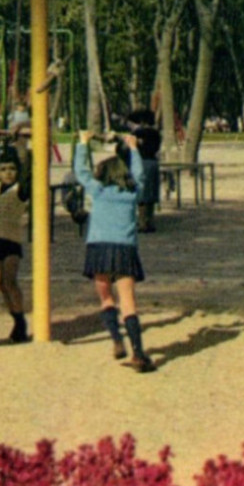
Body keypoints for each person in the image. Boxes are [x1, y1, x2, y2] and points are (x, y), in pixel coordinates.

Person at [74, 130, 155, 373]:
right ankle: (138, 353)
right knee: (128, 301)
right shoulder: (132, 194)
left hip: (99, 247)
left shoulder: (98, 191)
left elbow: (81, 172)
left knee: (106, 297)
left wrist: (83, 144)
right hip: (124, 249)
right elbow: (140, 175)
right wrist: (134, 149)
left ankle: (116, 339)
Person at [0, 148, 30, 343]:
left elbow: (28, 171)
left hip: (11, 240)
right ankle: (14, 316)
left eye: (12, 169)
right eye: (3, 169)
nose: (8, 173)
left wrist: (26, 148)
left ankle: (20, 322)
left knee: (10, 281)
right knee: (0, 284)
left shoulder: (20, 189)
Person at [126, 109, 162, 234]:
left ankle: (142, 222)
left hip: (142, 162)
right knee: (151, 193)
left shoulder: (138, 133)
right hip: (153, 163)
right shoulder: (156, 133)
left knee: (142, 194)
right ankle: (150, 220)